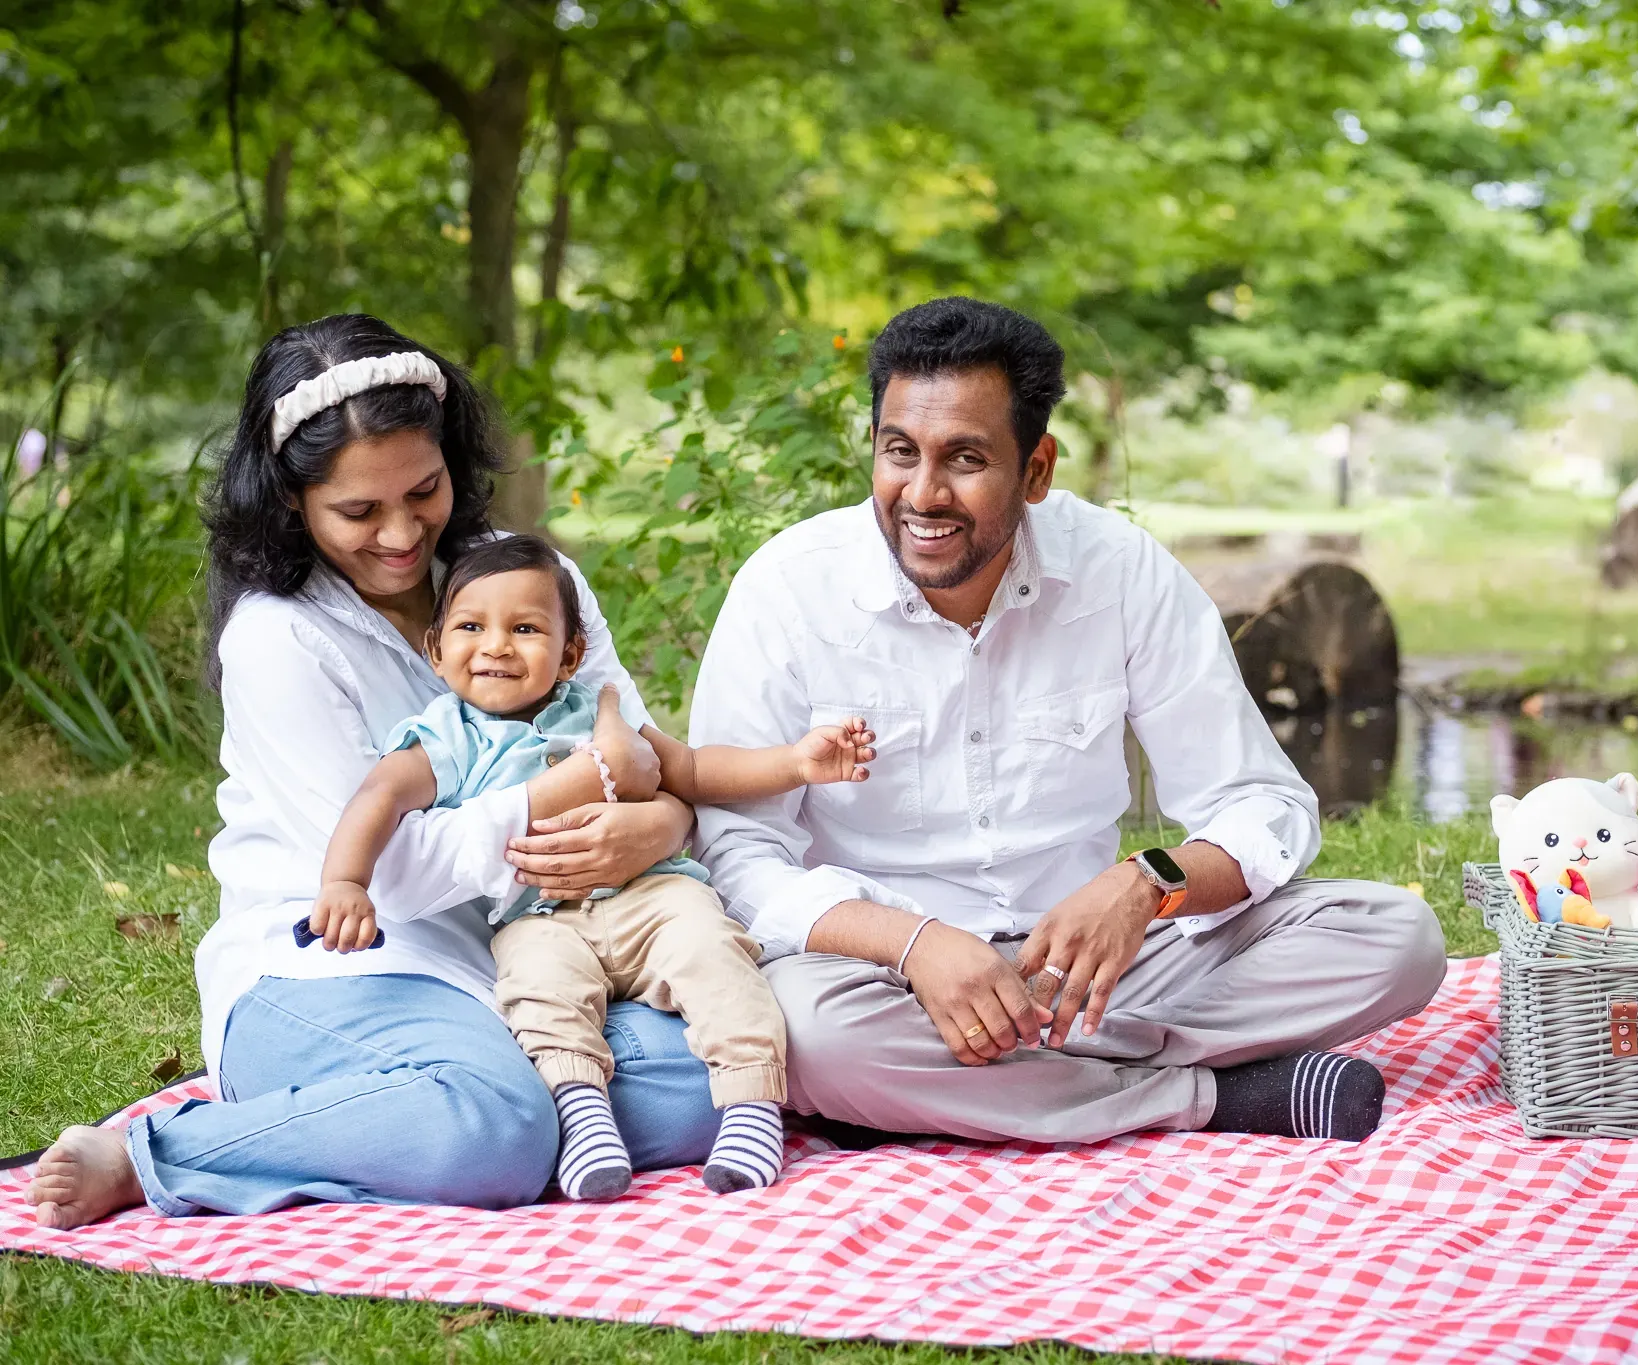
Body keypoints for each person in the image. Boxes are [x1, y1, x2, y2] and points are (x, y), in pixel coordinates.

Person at [690, 296, 1447, 1148]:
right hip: (882, 975)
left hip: (1104, 970)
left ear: (1038, 470)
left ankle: (959, 1092)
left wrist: (1146, 884)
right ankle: (1219, 1099)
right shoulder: (788, 589)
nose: (923, 493)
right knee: (807, 1031)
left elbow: (1262, 803)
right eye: (899, 451)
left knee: (1397, 938)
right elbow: (740, 858)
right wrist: (916, 944)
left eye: (966, 458)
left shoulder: (1120, 570)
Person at [27, 315, 721, 1228]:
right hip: (338, 968)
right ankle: (165, 1151)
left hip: (530, 956)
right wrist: (567, 791)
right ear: (290, 500)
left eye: (423, 491)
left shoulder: (527, 581)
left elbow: (635, 745)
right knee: (495, 1125)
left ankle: (432, 1108)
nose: (401, 534)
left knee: (716, 1079)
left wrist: (665, 822)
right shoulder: (279, 637)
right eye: (359, 511)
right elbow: (389, 874)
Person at [311, 533, 875, 1198]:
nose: (495, 645)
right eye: (471, 626)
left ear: (569, 653)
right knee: (537, 992)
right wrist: (344, 881)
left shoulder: (594, 713)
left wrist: (794, 761)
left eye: (524, 628)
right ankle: (584, 1118)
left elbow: (689, 768)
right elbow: (380, 795)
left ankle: (751, 1106)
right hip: (538, 916)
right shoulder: (445, 738)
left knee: (713, 953)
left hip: (651, 895)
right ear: (436, 650)